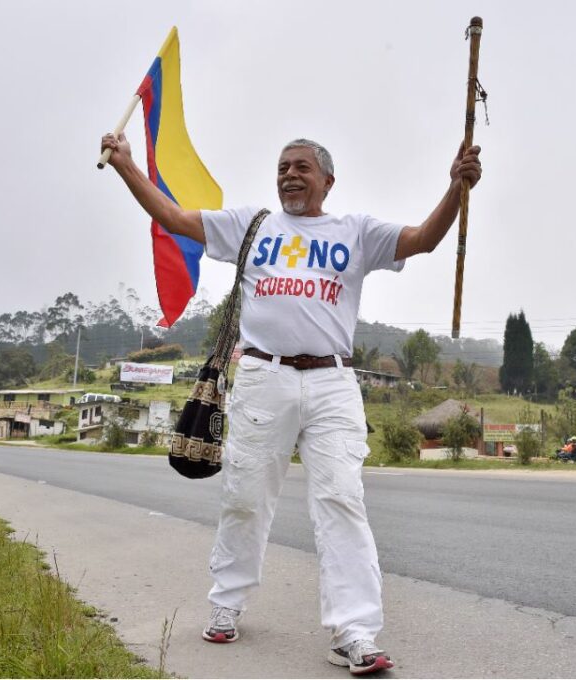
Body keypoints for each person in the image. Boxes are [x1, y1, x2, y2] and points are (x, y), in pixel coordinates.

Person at [100, 131, 482, 675]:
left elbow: (422, 238)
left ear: (328, 179)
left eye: (302, 167)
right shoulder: (252, 226)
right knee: (245, 496)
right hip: (262, 375)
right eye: (282, 167)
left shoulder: (357, 232)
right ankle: (226, 604)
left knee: (342, 500)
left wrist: (455, 188)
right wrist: (126, 166)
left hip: (332, 383)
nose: (289, 175)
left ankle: (354, 632)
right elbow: (177, 218)